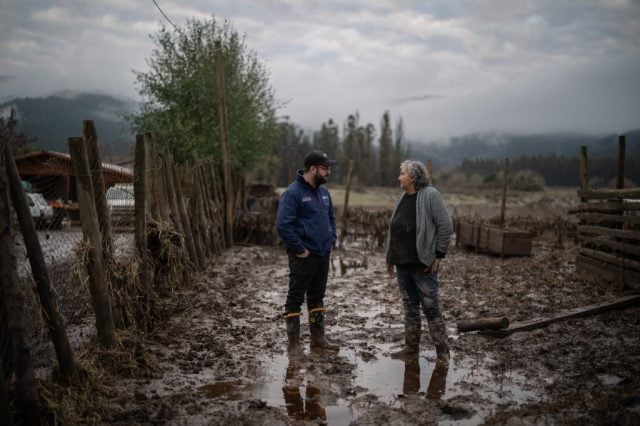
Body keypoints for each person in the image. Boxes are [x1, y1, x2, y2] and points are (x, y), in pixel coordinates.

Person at [386, 159, 453, 361]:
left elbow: (446, 225)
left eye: (403, 173)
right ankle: (410, 350)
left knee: (431, 308)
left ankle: (443, 353)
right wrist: (390, 258)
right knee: (410, 307)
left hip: (422, 264)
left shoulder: (430, 195)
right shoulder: (401, 198)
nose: (399, 177)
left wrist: (439, 254)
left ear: (413, 177)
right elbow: (393, 230)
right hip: (402, 264)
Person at [276, 150, 340, 354]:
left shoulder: (323, 193)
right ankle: (294, 343)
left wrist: (332, 240)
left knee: (317, 297)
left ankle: (318, 338)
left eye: (329, 168)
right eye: (325, 168)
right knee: (295, 298)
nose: (328, 171)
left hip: (323, 254)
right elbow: (283, 225)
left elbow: (331, 219)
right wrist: (300, 249)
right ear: (313, 169)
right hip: (303, 256)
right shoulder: (293, 193)